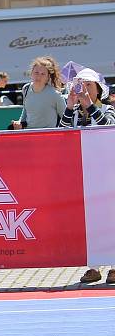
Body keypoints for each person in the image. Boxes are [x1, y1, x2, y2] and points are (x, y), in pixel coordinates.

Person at [57, 67, 115, 284]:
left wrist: (88, 104)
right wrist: (71, 105)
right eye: (80, 85)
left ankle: (114, 266)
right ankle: (94, 267)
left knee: (111, 219)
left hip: (109, 173)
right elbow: (61, 131)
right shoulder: (74, 111)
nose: (84, 90)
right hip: (84, 176)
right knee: (91, 224)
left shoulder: (108, 109)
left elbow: (107, 126)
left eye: (89, 85)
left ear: (99, 90)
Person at [11, 56, 65, 130]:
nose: (39, 76)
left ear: (48, 77)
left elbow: (65, 118)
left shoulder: (55, 94)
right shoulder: (26, 89)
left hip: (48, 136)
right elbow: (26, 110)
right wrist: (19, 123)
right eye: (36, 72)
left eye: (43, 74)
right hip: (28, 135)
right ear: (31, 73)